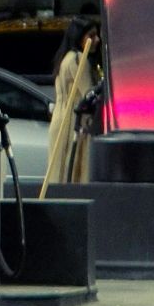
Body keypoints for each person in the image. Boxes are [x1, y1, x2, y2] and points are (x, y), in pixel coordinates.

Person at [41, 16, 101, 196]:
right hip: (71, 121)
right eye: (91, 35)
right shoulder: (77, 59)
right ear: (79, 37)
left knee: (58, 170)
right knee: (70, 168)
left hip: (60, 118)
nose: (96, 40)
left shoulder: (64, 58)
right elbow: (88, 93)